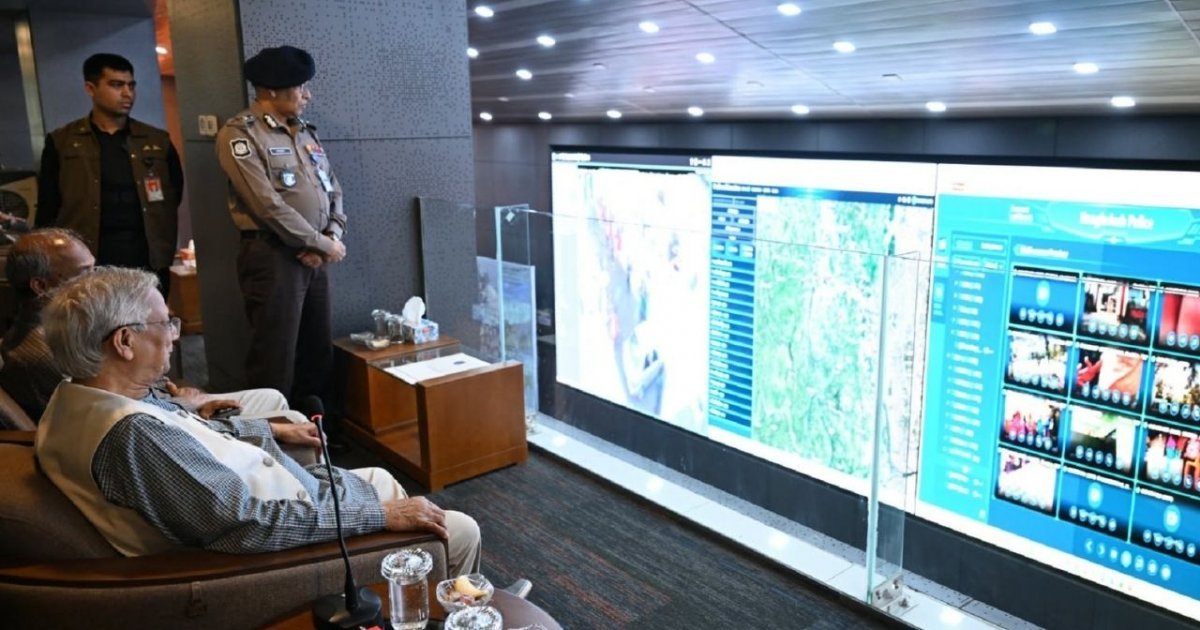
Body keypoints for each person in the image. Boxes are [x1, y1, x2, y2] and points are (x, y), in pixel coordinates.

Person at [35, 267, 481, 575]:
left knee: (381, 479)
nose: (175, 335)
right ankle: (448, 601)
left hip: (284, 500)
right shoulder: (134, 437)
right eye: (166, 323)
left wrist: (270, 429)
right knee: (458, 530)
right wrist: (379, 516)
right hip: (275, 551)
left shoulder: (79, 396)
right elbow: (249, 524)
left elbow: (192, 433)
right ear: (124, 341)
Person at [216, 45, 344, 402]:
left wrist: (331, 236)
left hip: (316, 255)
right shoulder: (240, 134)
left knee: (317, 351)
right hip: (272, 257)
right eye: (300, 87)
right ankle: (271, 430)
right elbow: (265, 205)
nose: (307, 95)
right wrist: (321, 244)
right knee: (275, 357)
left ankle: (313, 427)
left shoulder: (305, 132)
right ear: (272, 90)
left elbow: (333, 188)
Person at [36, 53, 183, 295]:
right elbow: (48, 204)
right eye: (116, 85)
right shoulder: (63, 141)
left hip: (146, 252)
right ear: (90, 88)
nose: (127, 93)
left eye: (131, 85)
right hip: (87, 254)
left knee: (149, 314)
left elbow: (174, 192)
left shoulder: (156, 140)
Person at [0, 229, 94, 419]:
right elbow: (98, 417)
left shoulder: (64, 328)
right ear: (41, 286)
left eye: (94, 269)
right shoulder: (47, 354)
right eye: (85, 273)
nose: (98, 282)